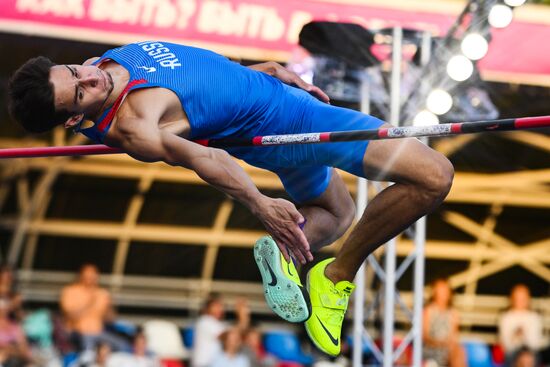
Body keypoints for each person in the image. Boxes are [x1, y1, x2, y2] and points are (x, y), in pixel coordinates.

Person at [8, 41, 454, 356]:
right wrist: (261, 205)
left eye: (73, 72)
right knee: (434, 176)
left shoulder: (99, 63)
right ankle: (337, 276)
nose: (89, 77)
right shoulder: (134, 125)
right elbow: (205, 157)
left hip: (273, 102)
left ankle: (286, 255)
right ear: (73, 121)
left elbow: (200, 73)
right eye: (80, 92)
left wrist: (264, 71)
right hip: (296, 124)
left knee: (338, 213)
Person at [59, 264, 129, 352]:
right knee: (88, 346)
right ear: (81, 276)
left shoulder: (102, 293)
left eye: (93, 276)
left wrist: (109, 307)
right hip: (78, 333)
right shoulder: (70, 291)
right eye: (87, 276)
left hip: (99, 333)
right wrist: (89, 302)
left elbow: (111, 320)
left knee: (123, 346)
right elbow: (70, 316)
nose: (90, 279)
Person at [191, 295, 250, 367]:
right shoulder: (205, 321)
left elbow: (236, 332)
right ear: (207, 308)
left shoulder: (217, 324)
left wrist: (243, 317)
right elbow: (229, 335)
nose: (219, 309)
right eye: (215, 306)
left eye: (220, 306)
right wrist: (242, 316)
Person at [422, 278, 466, 367]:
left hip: (448, 349)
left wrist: (448, 344)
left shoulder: (453, 313)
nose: (443, 294)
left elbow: (454, 336)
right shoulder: (428, 310)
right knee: (457, 352)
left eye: (445, 290)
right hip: (431, 348)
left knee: (458, 350)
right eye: (440, 290)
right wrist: (440, 343)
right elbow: (425, 336)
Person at [498, 284, 543, 366]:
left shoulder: (534, 317)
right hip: (512, 354)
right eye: (517, 298)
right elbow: (506, 344)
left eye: (522, 298)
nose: (520, 301)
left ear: (528, 299)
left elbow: (535, 343)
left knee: (527, 358)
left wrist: (524, 335)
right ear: (512, 299)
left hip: (531, 354)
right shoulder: (506, 318)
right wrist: (515, 336)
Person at [0, 297, 33, 367]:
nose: (3, 309)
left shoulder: (15, 326)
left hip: (15, 359)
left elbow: (24, 349)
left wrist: (11, 350)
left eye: (5, 305)